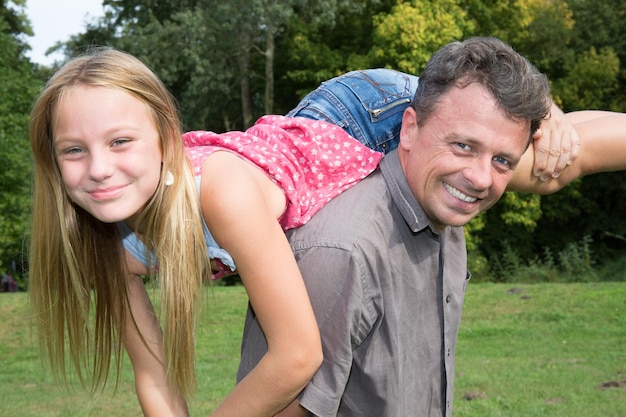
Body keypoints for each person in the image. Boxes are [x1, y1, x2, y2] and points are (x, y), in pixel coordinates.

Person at [27, 42, 621, 417]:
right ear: (51, 160)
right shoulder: (107, 246)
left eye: (120, 141)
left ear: (163, 133)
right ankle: (547, 119)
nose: (99, 169)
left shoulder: (220, 191)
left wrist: (542, 116)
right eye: (74, 150)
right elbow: (153, 376)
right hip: (305, 134)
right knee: (529, 156)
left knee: (541, 168)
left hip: (364, 114)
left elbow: (297, 356)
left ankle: (550, 119)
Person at [236, 37, 626, 416]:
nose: (481, 178)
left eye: (503, 161)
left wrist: (550, 115)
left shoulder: (439, 206)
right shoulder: (343, 253)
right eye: (463, 146)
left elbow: (574, 154)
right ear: (408, 129)